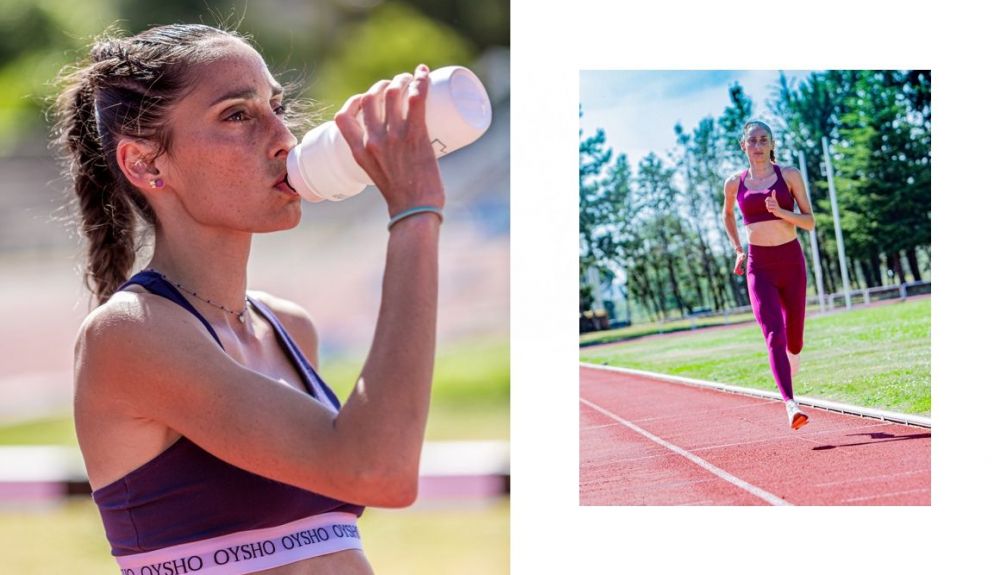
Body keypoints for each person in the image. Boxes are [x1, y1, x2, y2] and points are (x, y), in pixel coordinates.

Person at [56, 23, 444, 574]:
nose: (284, 136)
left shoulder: (289, 328)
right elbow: (378, 471)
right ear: (145, 163)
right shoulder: (129, 333)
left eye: (276, 106)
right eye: (237, 115)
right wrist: (415, 212)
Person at [722, 120, 815, 430]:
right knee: (774, 335)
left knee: (794, 337)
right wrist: (738, 249)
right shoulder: (734, 183)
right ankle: (791, 404)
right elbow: (727, 216)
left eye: (764, 140)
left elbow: (809, 221)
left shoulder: (788, 175)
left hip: (790, 261)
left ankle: (795, 355)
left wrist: (781, 212)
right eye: (753, 141)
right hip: (759, 266)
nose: (758, 146)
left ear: (772, 144)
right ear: (743, 146)